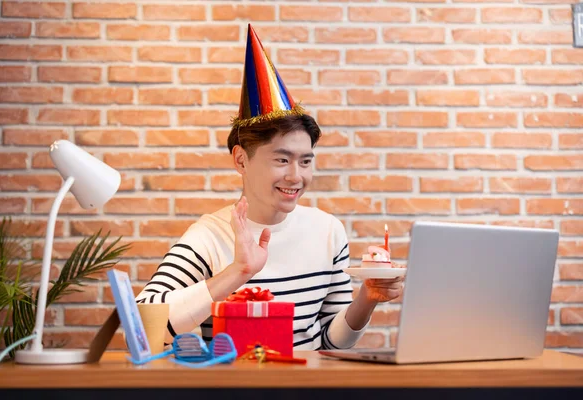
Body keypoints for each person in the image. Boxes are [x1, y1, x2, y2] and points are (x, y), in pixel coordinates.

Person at [135, 24, 404, 350]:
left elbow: (328, 343)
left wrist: (367, 298)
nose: (296, 176)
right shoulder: (208, 236)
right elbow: (140, 331)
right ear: (241, 160)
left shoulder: (328, 231)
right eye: (281, 160)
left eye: (306, 161)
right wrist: (238, 272)